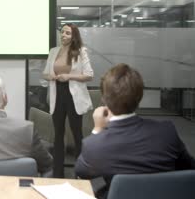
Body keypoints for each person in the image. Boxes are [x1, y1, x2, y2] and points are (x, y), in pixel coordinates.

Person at [75, 64, 195, 198]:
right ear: (139, 98)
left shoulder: (96, 145)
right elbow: (189, 168)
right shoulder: (167, 132)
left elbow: (81, 171)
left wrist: (97, 129)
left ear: (104, 100)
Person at [43, 23, 94, 178]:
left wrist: (69, 76)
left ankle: (80, 172)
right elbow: (45, 73)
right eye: (62, 32)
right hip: (57, 93)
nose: (63, 35)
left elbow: (89, 75)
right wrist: (50, 76)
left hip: (74, 96)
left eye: (67, 33)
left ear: (74, 36)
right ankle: (58, 173)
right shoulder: (53, 51)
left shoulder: (80, 51)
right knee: (58, 135)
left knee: (77, 133)